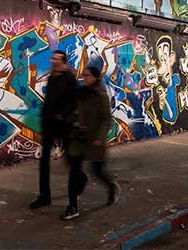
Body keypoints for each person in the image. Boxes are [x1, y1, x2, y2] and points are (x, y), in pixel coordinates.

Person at [62, 66, 120, 220]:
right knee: (74, 172)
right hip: (78, 139)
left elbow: (106, 119)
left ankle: (111, 187)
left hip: (94, 140)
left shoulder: (100, 95)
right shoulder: (81, 93)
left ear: (95, 77)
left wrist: (100, 137)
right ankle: (72, 207)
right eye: (83, 76)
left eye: (87, 76)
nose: (84, 78)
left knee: (98, 172)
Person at [30, 50, 79, 210]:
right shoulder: (52, 77)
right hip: (49, 124)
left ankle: (81, 179)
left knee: (70, 160)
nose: (54, 61)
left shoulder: (70, 78)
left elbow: (75, 101)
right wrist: (45, 119)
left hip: (64, 124)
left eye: (57, 59)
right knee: (44, 161)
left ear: (64, 61)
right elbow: (49, 100)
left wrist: (63, 115)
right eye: (53, 58)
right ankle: (44, 196)